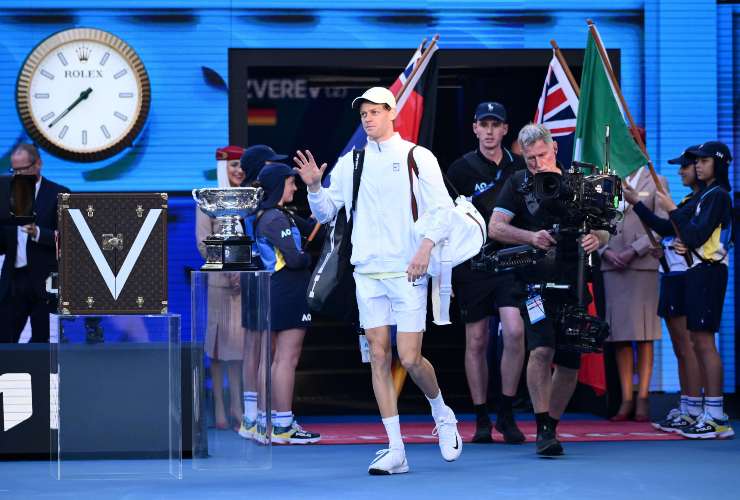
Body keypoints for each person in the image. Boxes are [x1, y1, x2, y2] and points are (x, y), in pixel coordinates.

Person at [294, 87, 462, 474]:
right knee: (379, 353)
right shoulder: (351, 161)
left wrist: (424, 249)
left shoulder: (417, 156)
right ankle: (395, 449)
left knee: (410, 357)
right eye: (363, 113)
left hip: (408, 271)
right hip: (366, 272)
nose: (367, 118)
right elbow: (325, 210)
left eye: (374, 112)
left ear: (392, 113)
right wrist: (315, 186)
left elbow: (443, 211)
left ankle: (442, 412)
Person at [489, 124, 606, 456]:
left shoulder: (579, 182)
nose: (537, 164)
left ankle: (551, 426)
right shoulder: (518, 183)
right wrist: (531, 237)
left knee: (570, 361)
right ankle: (542, 427)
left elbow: (605, 227)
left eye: (542, 156)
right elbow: (495, 226)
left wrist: (597, 238)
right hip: (533, 282)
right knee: (541, 350)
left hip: (575, 281)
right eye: (530, 159)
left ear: (554, 148)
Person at [446, 102, 526, 443]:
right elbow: (445, 220)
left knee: (514, 331)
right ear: (475, 128)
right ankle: (480, 416)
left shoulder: (520, 167)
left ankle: (506, 412)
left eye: (497, 125)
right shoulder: (460, 169)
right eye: (484, 124)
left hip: (510, 262)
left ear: (506, 129)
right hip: (472, 264)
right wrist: (444, 271)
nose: (490, 131)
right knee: (476, 340)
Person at [655, 141, 734, 439]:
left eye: (704, 161)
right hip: (697, 271)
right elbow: (684, 234)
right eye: (696, 161)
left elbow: (694, 235)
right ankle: (701, 410)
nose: (698, 166)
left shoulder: (718, 196)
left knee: (704, 342)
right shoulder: (706, 195)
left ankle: (715, 416)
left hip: (709, 271)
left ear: (719, 163)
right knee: (696, 341)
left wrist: (672, 210)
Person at [624, 146, 704, 432]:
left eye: (686, 166)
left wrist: (643, 205)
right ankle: (687, 406)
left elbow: (690, 233)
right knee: (681, 348)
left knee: (691, 345)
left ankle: (700, 409)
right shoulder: (687, 200)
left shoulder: (706, 200)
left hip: (687, 276)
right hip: (670, 274)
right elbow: (666, 228)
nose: (681, 171)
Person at [253, 162, 320, 444]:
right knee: (286, 360)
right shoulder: (275, 219)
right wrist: (308, 259)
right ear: (281, 185)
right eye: (292, 183)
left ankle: (267, 422)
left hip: (276, 291)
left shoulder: (275, 215)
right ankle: (282, 426)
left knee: (277, 359)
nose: (295, 187)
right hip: (287, 290)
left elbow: (316, 225)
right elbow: (294, 259)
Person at [601, 161, 668, 422]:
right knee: (619, 334)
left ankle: (643, 397)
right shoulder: (605, 182)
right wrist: (605, 251)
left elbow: (663, 225)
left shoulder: (656, 180)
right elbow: (594, 223)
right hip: (612, 263)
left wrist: (634, 250)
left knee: (644, 333)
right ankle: (626, 398)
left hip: (641, 263)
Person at [196, 145, 247, 431]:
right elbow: (203, 244)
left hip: (247, 285)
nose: (239, 171)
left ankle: (238, 406)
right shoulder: (207, 200)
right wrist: (229, 269)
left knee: (240, 350)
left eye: (241, 166)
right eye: (233, 165)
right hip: (220, 283)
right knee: (218, 348)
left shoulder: (248, 198)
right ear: (221, 168)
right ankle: (218, 406)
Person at [0, 143, 69, 343]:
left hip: (44, 280)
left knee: (41, 340)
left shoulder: (59, 194)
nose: (19, 174)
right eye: (15, 170)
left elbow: (68, 240)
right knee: (5, 338)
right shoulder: (7, 193)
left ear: (38, 164)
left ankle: (40, 374)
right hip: (14, 279)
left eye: (24, 169)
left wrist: (37, 232)